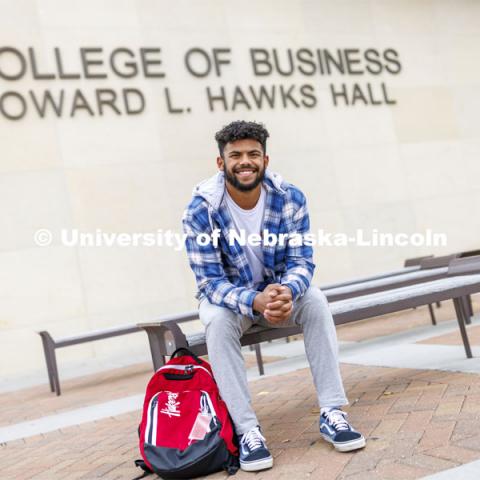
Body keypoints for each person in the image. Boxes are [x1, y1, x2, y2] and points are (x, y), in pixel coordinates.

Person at [182, 120, 365, 472]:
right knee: (217, 324)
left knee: (314, 299)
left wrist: (286, 291)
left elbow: (301, 260)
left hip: (278, 292)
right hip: (230, 301)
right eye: (235, 155)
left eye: (253, 154)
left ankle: (333, 411)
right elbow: (209, 281)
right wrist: (255, 301)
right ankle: (247, 430)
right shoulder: (200, 210)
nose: (244, 161)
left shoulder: (289, 197)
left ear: (265, 159)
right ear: (221, 164)